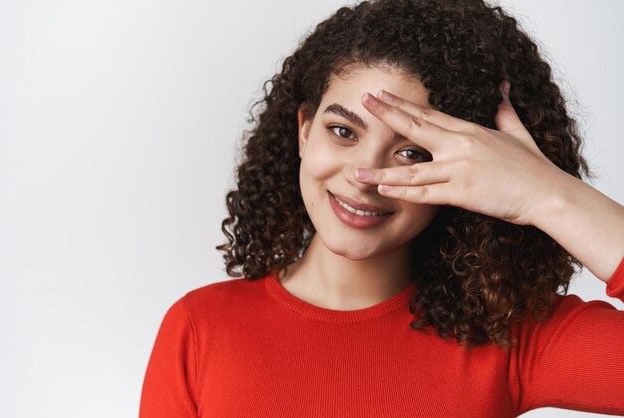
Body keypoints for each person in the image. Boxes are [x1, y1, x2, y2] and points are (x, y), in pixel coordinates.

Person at [139, 0, 624, 416]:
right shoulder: (200, 331)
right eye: (343, 131)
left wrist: (546, 195)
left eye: (411, 151)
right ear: (304, 129)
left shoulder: (510, 339)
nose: (365, 176)